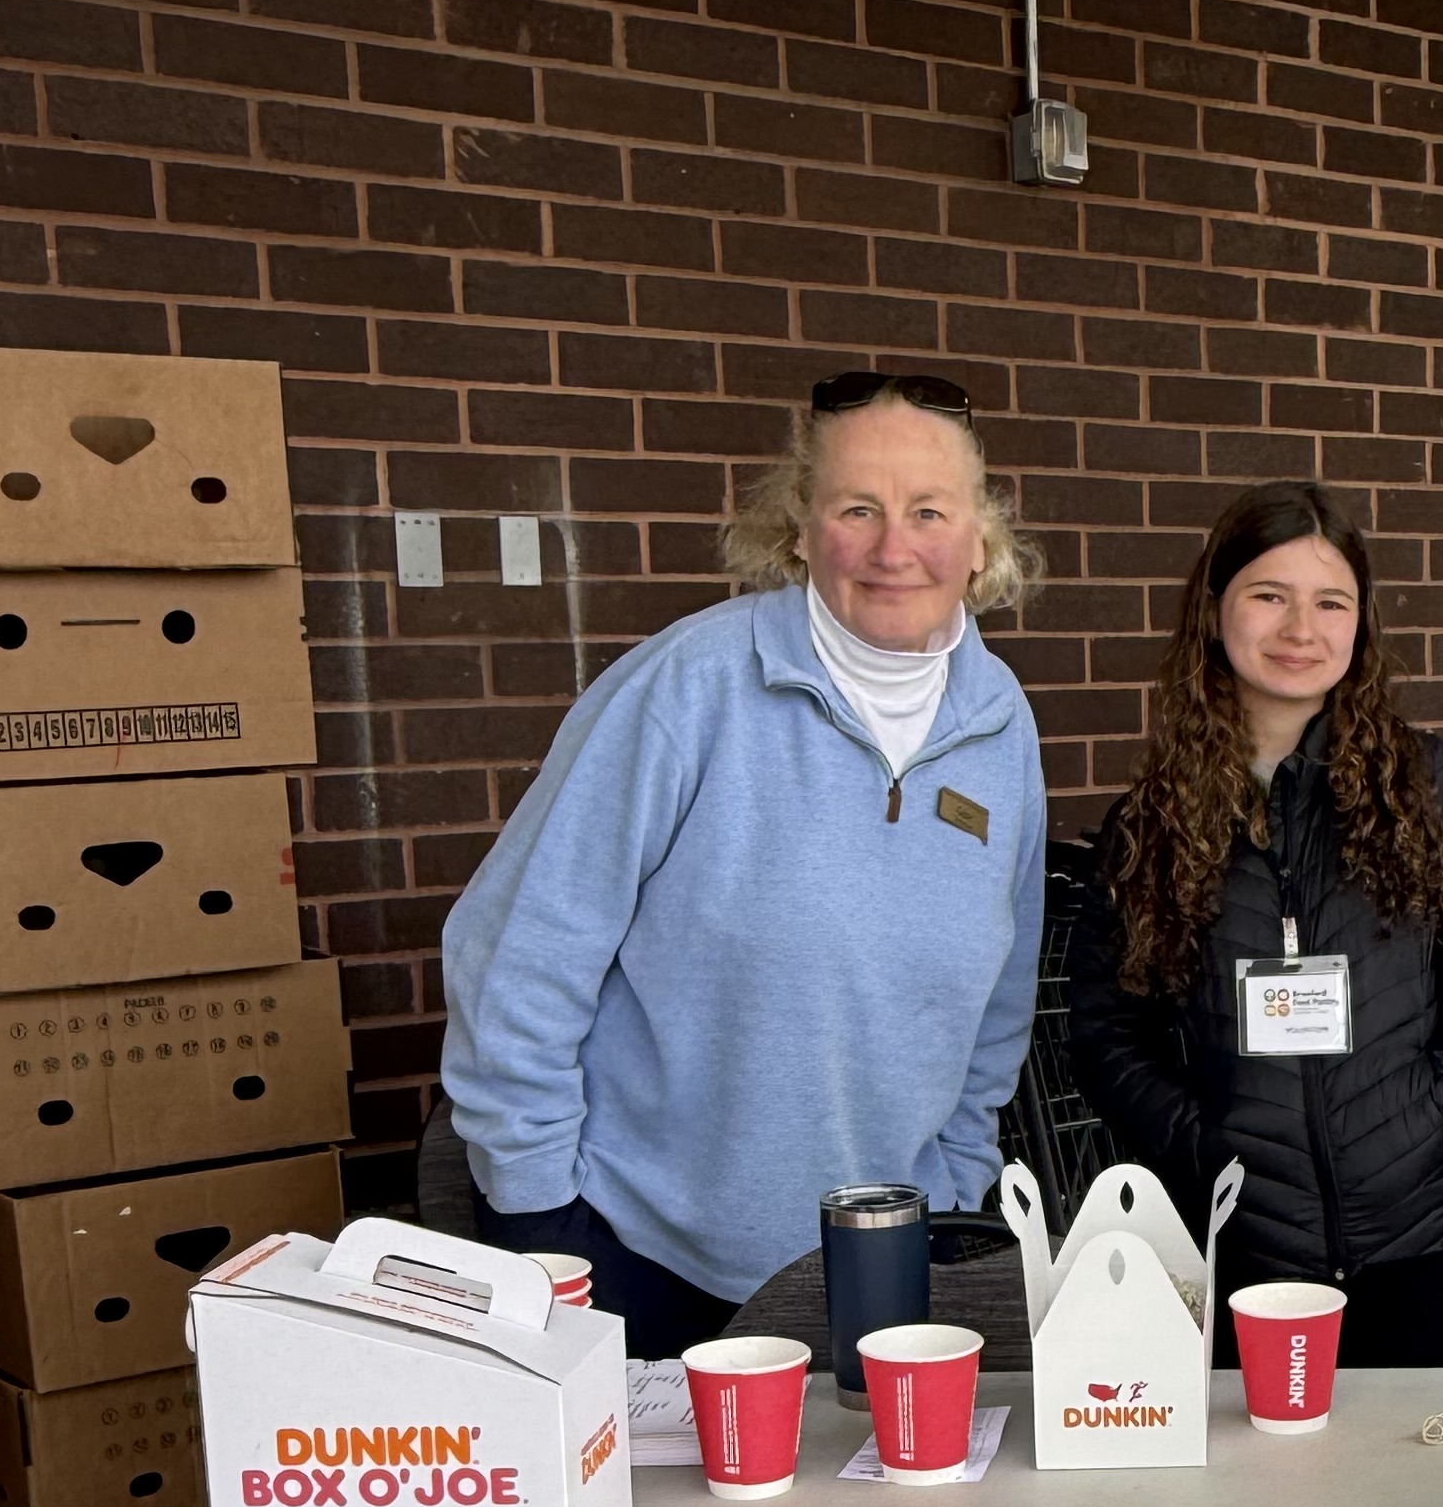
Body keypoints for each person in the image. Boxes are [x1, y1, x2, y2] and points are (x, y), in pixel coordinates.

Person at [440, 372, 1047, 1356]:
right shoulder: (686, 689)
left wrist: (954, 1180)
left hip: (883, 1261)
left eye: (929, 511)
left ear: (980, 540)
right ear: (799, 530)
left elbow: (998, 1000)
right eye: (859, 508)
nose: (896, 548)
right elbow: (516, 950)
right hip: (639, 1257)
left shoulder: (999, 722)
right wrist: (540, 1214)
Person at [1067, 480, 1443, 1365]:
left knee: (1418, 1494)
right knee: (1259, 1500)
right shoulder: (1155, 819)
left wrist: (1434, 1113)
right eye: (1269, 596)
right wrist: (1202, 1143)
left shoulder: (1426, 788)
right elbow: (1105, 1028)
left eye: (1331, 602)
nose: (1300, 629)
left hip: (1423, 1237)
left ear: (1360, 627)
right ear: (1214, 612)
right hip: (1239, 1249)